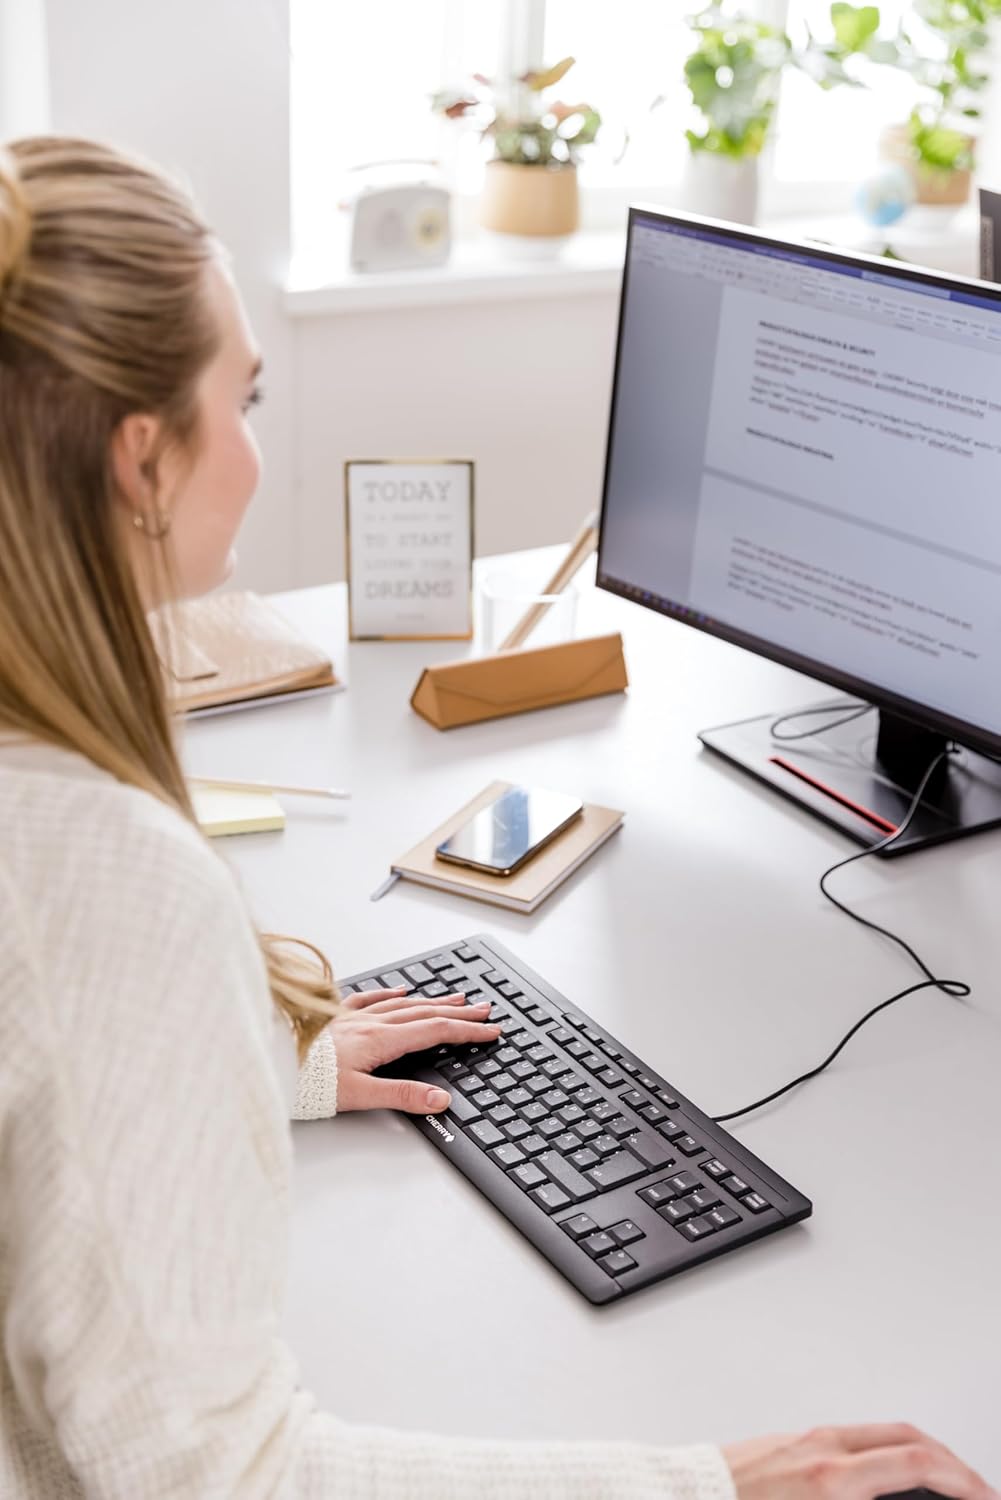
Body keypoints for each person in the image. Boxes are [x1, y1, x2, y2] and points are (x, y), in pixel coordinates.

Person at [0, 134, 993, 1500]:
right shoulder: (105, 873)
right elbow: (207, 1476)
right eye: (248, 395)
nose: (254, 443)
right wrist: (711, 1484)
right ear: (139, 459)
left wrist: (231, 1058)